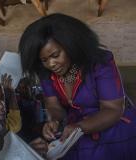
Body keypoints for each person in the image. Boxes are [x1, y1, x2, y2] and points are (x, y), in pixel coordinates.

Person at [19, 13, 136, 159]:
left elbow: (112, 110)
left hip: (113, 134)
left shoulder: (99, 63)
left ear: (71, 45)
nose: (51, 64)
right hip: (76, 136)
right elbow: (54, 106)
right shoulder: (46, 73)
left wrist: (80, 127)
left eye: (55, 55)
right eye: (44, 60)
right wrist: (54, 121)